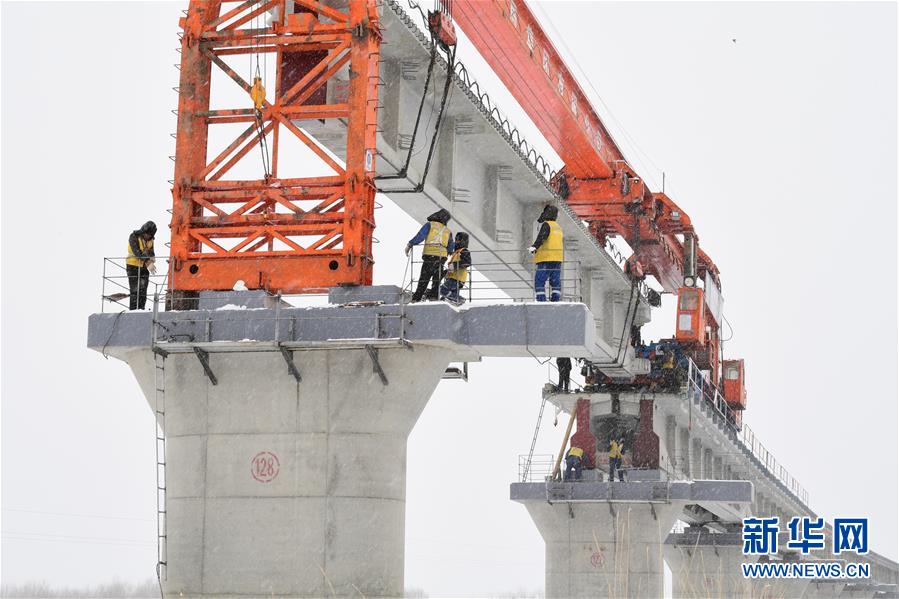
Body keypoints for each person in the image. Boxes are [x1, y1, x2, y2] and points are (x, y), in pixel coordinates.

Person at [406, 209, 453, 302]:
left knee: (424, 277)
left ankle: (417, 298)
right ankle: (434, 297)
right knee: (436, 278)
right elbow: (451, 246)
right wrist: (447, 252)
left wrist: (410, 244)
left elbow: (420, 236)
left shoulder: (430, 225)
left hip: (430, 254)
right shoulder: (448, 231)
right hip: (441, 256)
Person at [528, 205, 563, 302]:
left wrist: (534, 247)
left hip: (546, 259)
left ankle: (541, 300)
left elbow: (542, 238)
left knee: (539, 281)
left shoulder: (547, 225)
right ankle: (555, 300)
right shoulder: (558, 227)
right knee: (555, 282)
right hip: (557, 259)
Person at [126, 221, 157, 310]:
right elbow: (137, 252)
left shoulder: (150, 240)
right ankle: (133, 310)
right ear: (143, 231)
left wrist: (152, 258)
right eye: (147, 234)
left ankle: (141, 309)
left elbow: (151, 251)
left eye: (150, 235)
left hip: (143, 266)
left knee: (143, 290)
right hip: (132, 266)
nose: (148, 236)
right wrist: (148, 261)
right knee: (135, 290)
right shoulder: (133, 236)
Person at [440, 232, 471, 305]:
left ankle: (459, 299)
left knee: (442, 290)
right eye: (456, 239)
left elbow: (467, 262)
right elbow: (453, 267)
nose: (456, 242)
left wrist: (454, 265)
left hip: (457, 279)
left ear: (463, 241)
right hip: (454, 278)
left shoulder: (464, 251)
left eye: (458, 240)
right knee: (452, 295)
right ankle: (456, 302)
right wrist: (446, 272)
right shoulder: (456, 252)